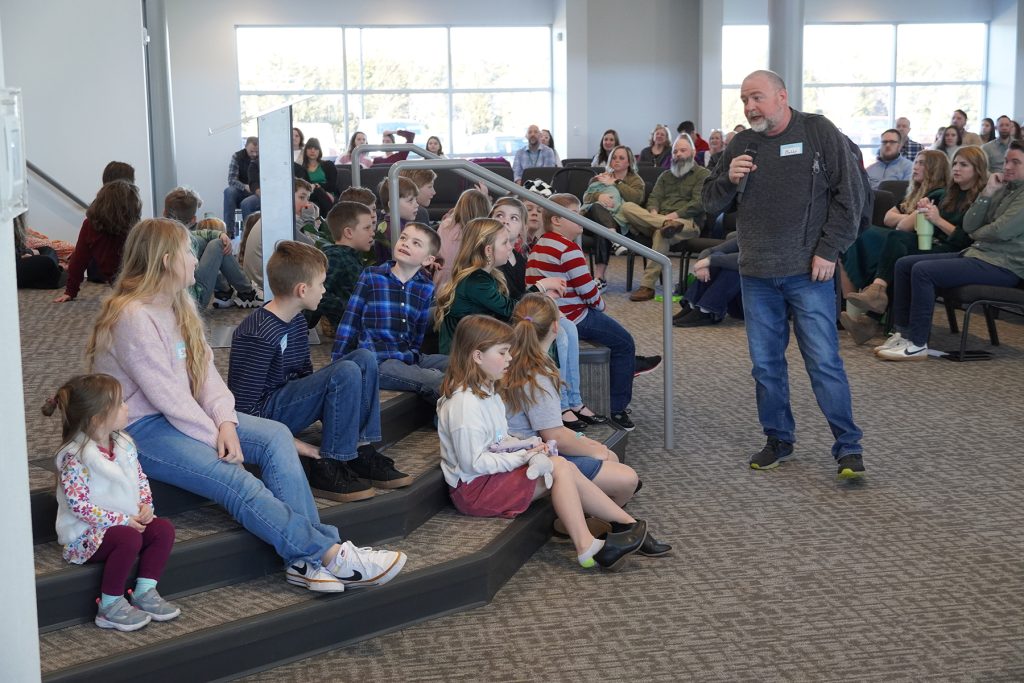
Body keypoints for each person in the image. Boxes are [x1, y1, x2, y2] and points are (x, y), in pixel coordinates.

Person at [88, 218, 406, 592]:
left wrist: (225, 421)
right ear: (166, 259)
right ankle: (329, 554)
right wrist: (215, 436)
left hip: (183, 416)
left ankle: (306, 558)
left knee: (276, 436)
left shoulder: (178, 306)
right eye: (190, 251)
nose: (196, 259)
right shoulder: (132, 316)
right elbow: (166, 396)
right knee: (232, 476)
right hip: (141, 428)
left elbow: (206, 376)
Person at [701, 69, 866, 480]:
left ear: (781, 96)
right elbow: (708, 202)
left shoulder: (818, 132)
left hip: (808, 272)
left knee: (824, 362)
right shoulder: (743, 142)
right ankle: (779, 438)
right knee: (766, 366)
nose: (749, 107)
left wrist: (829, 250)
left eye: (756, 97)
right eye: (744, 100)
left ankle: (848, 447)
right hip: (756, 273)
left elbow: (851, 197)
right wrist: (728, 177)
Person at [435, 314, 648, 570]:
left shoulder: (487, 390)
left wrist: (529, 446)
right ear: (477, 357)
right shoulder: (464, 404)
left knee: (562, 466)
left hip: (489, 478)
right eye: (502, 353)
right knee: (559, 467)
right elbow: (474, 463)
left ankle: (626, 525)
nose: (510, 358)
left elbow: (498, 439)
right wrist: (524, 456)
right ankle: (590, 544)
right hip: (475, 490)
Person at [230, 240, 407, 501]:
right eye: (321, 284)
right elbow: (244, 409)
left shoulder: (298, 321)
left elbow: (305, 377)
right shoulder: (258, 333)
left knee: (364, 358)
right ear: (302, 290)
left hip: (286, 402)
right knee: (345, 370)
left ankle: (360, 449)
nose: (324, 290)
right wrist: (297, 445)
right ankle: (330, 464)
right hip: (264, 416)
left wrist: (341, 413)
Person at [45, 373, 180, 631]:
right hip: (85, 536)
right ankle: (109, 605)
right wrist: (123, 521)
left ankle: (144, 591)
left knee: (163, 530)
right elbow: (79, 506)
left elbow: (140, 478)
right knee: (128, 538)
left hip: (124, 523)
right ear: (98, 418)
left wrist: (146, 506)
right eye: (119, 404)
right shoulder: (76, 458)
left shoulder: (123, 444)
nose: (126, 406)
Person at [877, 140, 1024, 361]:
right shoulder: (1004, 189)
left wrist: (977, 233)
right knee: (905, 263)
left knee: (923, 271)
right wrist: (988, 192)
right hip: (979, 255)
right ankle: (903, 334)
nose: (1008, 167)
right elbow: (970, 224)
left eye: (1016, 162)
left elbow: (999, 231)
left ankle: (918, 343)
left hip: (1004, 265)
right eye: (1006, 161)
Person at [527, 193, 662, 432]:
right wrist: (600, 304)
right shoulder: (569, 249)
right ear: (557, 219)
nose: (581, 219)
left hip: (550, 310)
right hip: (574, 315)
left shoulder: (541, 242)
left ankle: (629, 365)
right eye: (575, 214)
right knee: (625, 343)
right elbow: (589, 291)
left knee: (615, 337)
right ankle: (618, 408)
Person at [843, 146, 987, 344]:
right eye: (955, 163)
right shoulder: (946, 194)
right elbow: (897, 223)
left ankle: (872, 314)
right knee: (897, 242)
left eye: (963, 165)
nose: (956, 168)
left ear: (977, 169)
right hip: (933, 244)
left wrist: (937, 220)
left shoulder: (982, 199)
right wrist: (923, 212)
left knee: (902, 257)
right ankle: (876, 295)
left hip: (956, 252)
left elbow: (966, 240)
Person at [491, 198, 603, 429]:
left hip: (521, 313)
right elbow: (507, 305)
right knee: (558, 334)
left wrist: (548, 302)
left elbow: (525, 296)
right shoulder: (492, 259)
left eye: (513, 218)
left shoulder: (521, 256)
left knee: (568, 326)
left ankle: (574, 400)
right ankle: (560, 404)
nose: (505, 222)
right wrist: (542, 288)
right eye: (499, 215)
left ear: (522, 226)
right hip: (503, 321)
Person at [334, 223, 449, 402]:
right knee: (434, 379)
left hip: (408, 356)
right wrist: (338, 364)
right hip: (379, 361)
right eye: (403, 238)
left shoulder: (425, 287)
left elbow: (418, 332)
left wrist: (413, 358)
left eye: (416, 243)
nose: (405, 243)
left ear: (427, 260)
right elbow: (350, 321)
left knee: (459, 364)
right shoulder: (372, 276)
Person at [434, 217, 564, 354]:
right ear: (488, 250)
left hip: (479, 346)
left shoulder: (486, 276)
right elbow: (511, 309)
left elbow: (506, 309)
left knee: (554, 330)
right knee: (553, 334)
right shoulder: (475, 281)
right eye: (504, 242)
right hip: (463, 357)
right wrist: (541, 286)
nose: (511, 246)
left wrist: (543, 298)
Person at [843, 150, 952, 310]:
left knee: (859, 235)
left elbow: (902, 226)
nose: (915, 167)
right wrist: (909, 217)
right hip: (897, 239)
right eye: (916, 162)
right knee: (848, 243)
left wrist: (906, 218)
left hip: (913, 244)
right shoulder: (914, 194)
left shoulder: (937, 194)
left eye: (922, 163)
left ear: (935, 169)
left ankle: (859, 307)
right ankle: (851, 307)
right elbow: (888, 218)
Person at [626, 134, 708, 302]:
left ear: (693, 152)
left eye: (683, 150)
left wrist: (672, 217)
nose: (678, 154)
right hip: (659, 220)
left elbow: (698, 203)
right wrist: (655, 215)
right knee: (626, 208)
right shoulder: (665, 176)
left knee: (662, 233)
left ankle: (647, 286)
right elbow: (654, 198)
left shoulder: (702, 174)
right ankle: (663, 224)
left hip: (686, 223)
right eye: (675, 151)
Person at [163, 187, 261, 309]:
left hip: (174, 299)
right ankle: (247, 293)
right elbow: (195, 236)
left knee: (205, 242)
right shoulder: (187, 239)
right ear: (194, 220)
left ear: (164, 213)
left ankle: (225, 293)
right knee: (217, 244)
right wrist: (220, 235)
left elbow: (195, 235)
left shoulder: (162, 235)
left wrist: (218, 234)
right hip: (192, 301)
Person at [55, 179, 142, 303]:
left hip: (123, 284)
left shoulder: (90, 225)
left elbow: (78, 260)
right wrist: (70, 290)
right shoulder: (134, 228)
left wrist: (70, 291)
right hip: (138, 283)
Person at [580, 144, 647, 286]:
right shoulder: (602, 177)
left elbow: (636, 199)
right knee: (597, 207)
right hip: (592, 220)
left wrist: (616, 183)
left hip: (619, 222)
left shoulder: (636, 180)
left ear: (629, 162)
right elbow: (586, 197)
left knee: (602, 230)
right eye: (614, 158)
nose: (616, 160)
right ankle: (614, 240)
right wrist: (599, 196)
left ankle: (599, 278)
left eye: (621, 158)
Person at [311, 200, 374, 337]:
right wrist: (350, 308)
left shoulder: (352, 257)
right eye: (367, 228)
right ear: (349, 232)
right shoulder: (335, 257)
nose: (372, 233)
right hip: (357, 332)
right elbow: (318, 294)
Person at [242, 178, 316, 292]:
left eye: (308, 199)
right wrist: (310, 220)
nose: (306, 204)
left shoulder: (274, 214)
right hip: (265, 285)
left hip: (259, 280)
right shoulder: (283, 220)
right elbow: (314, 250)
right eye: (302, 197)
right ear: (287, 196)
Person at [672, 235, 743, 327]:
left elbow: (746, 259)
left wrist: (710, 260)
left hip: (752, 309)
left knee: (736, 268)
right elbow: (710, 251)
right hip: (734, 302)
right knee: (717, 256)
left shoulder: (764, 237)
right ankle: (692, 305)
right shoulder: (746, 235)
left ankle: (706, 311)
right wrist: (703, 262)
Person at [435, 188, 492, 288]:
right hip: (465, 282)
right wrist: (485, 197)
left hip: (440, 280)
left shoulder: (446, 225)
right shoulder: (480, 232)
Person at [370, 175, 420, 266]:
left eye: (416, 200)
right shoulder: (396, 230)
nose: (416, 205)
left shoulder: (387, 223)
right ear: (392, 204)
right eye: (410, 200)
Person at [298, 137, 338, 218]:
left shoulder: (328, 165)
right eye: (309, 148)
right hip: (310, 195)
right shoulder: (301, 169)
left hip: (329, 193)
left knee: (318, 191)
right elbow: (304, 187)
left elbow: (332, 185)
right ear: (305, 151)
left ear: (319, 151)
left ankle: (326, 221)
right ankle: (330, 220)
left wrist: (318, 186)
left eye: (316, 148)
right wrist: (317, 187)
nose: (312, 151)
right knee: (316, 190)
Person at [223, 136, 259, 223]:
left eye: (257, 151)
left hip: (257, 191)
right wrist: (245, 187)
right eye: (251, 151)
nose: (254, 154)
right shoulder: (237, 156)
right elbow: (231, 180)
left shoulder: (263, 158)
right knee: (229, 191)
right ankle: (229, 231)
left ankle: (249, 232)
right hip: (242, 190)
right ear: (245, 146)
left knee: (246, 203)